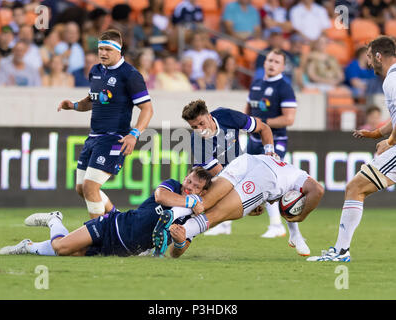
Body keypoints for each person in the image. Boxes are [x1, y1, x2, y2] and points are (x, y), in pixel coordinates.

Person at [307, 36, 396, 262]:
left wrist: (390, 142)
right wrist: (377, 133)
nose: (368, 63)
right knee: (356, 187)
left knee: (355, 187)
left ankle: (341, 251)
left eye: (368, 57)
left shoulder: (392, 81)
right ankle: (340, 250)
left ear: (378, 56)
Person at [0, 167, 213, 258]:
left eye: (195, 187)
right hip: (113, 225)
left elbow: (177, 253)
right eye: (189, 180)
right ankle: (54, 220)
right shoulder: (173, 186)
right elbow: (160, 197)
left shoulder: (192, 219)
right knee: (61, 247)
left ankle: (28, 246)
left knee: (73, 253)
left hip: (122, 250)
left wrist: (179, 242)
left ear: (203, 191)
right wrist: (189, 200)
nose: (189, 186)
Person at [57, 29, 153, 220]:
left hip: (114, 138)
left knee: (91, 186)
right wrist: (74, 106)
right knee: (81, 188)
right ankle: (118, 220)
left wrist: (134, 134)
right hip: (94, 136)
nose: (103, 53)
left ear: (119, 50)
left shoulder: (130, 75)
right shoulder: (96, 71)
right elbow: (94, 100)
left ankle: (96, 236)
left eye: (108, 49)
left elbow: (147, 109)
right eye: (100, 48)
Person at [153, 153, 324, 258]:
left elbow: (288, 206)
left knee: (207, 199)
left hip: (248, 160)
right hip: (265, 178)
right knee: (220, 214)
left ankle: (173, 213)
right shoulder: (302, 182)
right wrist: (301, 217)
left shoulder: (294, 173)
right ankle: (181, 232)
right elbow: (317, 191)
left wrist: (295, 233)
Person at [244, 49, 309, 255]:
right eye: (269, 60)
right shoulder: (256, 84)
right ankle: (225, 224)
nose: (271, 64)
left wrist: (262, 124)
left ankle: (282, 227)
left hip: (276, 140)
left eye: (276, 61)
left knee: (274, 181)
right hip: (253, 141)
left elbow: (289, 119)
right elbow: (247, 111)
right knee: (242, 178)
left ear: (282, 66)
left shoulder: (284, 88)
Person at [182, 99, 276, 235]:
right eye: (195, 127)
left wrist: (269, 153)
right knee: (193, 210)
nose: (200, 130)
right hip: (209, 179)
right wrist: (249, 202)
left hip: (239, 167)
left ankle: (286, 230)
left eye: (201, 123)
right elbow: (223, 178)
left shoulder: (228, 116)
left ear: (209, 117)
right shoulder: (197, 141)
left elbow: (264, 128)